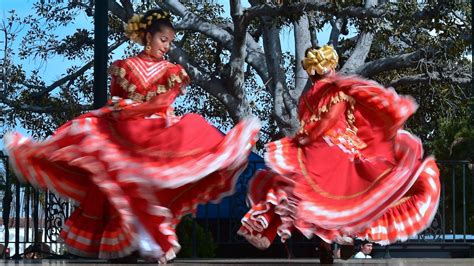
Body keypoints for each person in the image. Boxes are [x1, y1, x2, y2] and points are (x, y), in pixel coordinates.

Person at [4, 9, 260, 263]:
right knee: (115, 178)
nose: (166, 47)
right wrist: (124, 108)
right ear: (149, 37)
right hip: (125, 129)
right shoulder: (125, 67)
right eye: (163, 40)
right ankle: (130, 241)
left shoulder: (171, 71)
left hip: (153, 134)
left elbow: (164, 104)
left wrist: (137, 108)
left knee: (186, 137)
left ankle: (145, 238)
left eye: (170, 42)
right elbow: (115, 101)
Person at [238, 45, 440, 263]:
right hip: (337, 148)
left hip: (313, 149)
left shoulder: (307, 97)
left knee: (310, 196)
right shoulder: (337, 90)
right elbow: (330, 120)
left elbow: (310, 123)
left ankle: (321, 243)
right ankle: (344, 238)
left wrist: (306, 138)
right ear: (330, 66)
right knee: (358, 193)